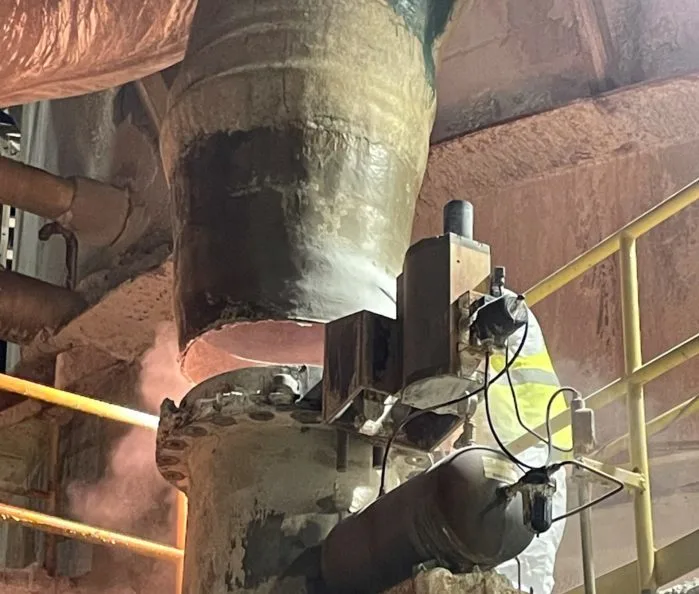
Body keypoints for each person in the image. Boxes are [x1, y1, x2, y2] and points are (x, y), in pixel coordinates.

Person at [468, 299, 571, 594]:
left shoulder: (492, 312)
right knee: (532, 558)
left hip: (522, 450)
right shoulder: (505, 308)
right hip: (539, 450)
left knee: (519, 556)